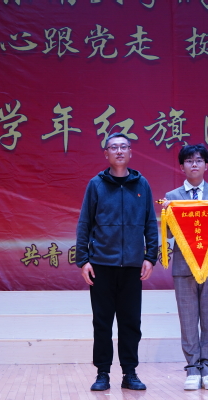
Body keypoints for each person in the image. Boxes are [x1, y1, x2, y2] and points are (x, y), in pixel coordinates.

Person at [76, 133, 159, 391]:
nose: (119, 151)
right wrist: (83, 260)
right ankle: (102, 373)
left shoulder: (141, 184)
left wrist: (150, 257)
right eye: (114, 147)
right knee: (102, 322)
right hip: (101, 265)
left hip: (132, 266)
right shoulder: (96, 185)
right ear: (106, 154)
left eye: (124, 147)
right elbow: (84, 223)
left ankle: (129, 373)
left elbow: (150, 222)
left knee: (130, 322)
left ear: (131, 152)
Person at [162, 144, 208, 391]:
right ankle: (192, 369)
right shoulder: (172, 197)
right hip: (184, 267)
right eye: (189, 161)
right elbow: (168, 234)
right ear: (181, 167)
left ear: (206, 165)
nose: (194, 164)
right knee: (188, 320)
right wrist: (166, 216)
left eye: (199, 160)